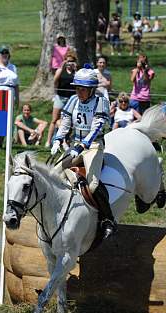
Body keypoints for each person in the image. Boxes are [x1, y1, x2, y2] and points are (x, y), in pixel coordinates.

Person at [50, 68, 115, 239]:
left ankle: (108, 220)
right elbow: (65, 123)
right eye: (77, 88)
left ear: (92, 89)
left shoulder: (101, 102)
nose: (79, 92)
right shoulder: (73, 100)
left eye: (82, 89)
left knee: (92, 185)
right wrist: (57, 139)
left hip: (93, 146)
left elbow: (97, 128)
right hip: (76, 144)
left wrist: (83, 145)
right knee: (54, 172)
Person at [45, 50, 77, 147]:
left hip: (71, 99)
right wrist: (61, 67)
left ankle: (65, 140)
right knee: (54, 119)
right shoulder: (60, 70)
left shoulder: (76, 72)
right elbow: (55, 81)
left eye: (71, 61)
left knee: (69, 120)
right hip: (60, 97)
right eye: (67, 61)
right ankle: (48, 141)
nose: (69, 63)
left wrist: (75, 70)